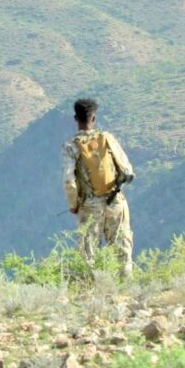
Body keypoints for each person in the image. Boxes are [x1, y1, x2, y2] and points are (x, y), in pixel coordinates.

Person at [62, 98, 136, 277]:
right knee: (121, 250)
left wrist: (74, 205)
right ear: (93, 118)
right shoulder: (107, 139)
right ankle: (126, 291)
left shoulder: (71, 146)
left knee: (88, 254)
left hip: (89, 205)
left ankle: (91, 293)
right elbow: (127, 170)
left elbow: (69, 181)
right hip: (116, 201)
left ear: (76, 118)